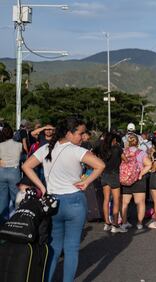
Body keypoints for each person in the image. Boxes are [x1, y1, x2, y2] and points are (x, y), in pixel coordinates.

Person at [22, 117, 105, 282]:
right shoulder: (77, 150)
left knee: (53, 246)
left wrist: (43, 187)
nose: (82, 137)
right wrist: (86, 182)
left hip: (53, 203)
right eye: (80, 133)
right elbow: (100, 165)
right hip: (74, 201)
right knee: (72, 248)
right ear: (69, 133)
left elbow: (26, 166)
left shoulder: (46, 148)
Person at [120, 134, 152, 230]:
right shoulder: (141, 153)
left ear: (127, 142)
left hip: (126, 179)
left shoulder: (123, 152)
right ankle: (139, 223)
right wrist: (141, 174)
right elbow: (149, 164)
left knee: (124, 203)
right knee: (140, 202)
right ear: (137, 142)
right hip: (138, 180)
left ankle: (124, 223)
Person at [95, 132, 125, 233]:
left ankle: (107, 223)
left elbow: (94, 155)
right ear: (114, 140)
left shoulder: (102, 149)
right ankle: (115, 225)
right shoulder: (117, 148)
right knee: (116, 200)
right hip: (114, 175)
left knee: (106, 199)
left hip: (104, 175)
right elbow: (125, 159)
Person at [0, 123, 22, 223]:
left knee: (2, 198)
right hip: (14, 171)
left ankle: (2, 221)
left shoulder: (0, 145)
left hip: (2, 171)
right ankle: (17, 220)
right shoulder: (19, 145)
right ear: (12, 134)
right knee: (16, 198)